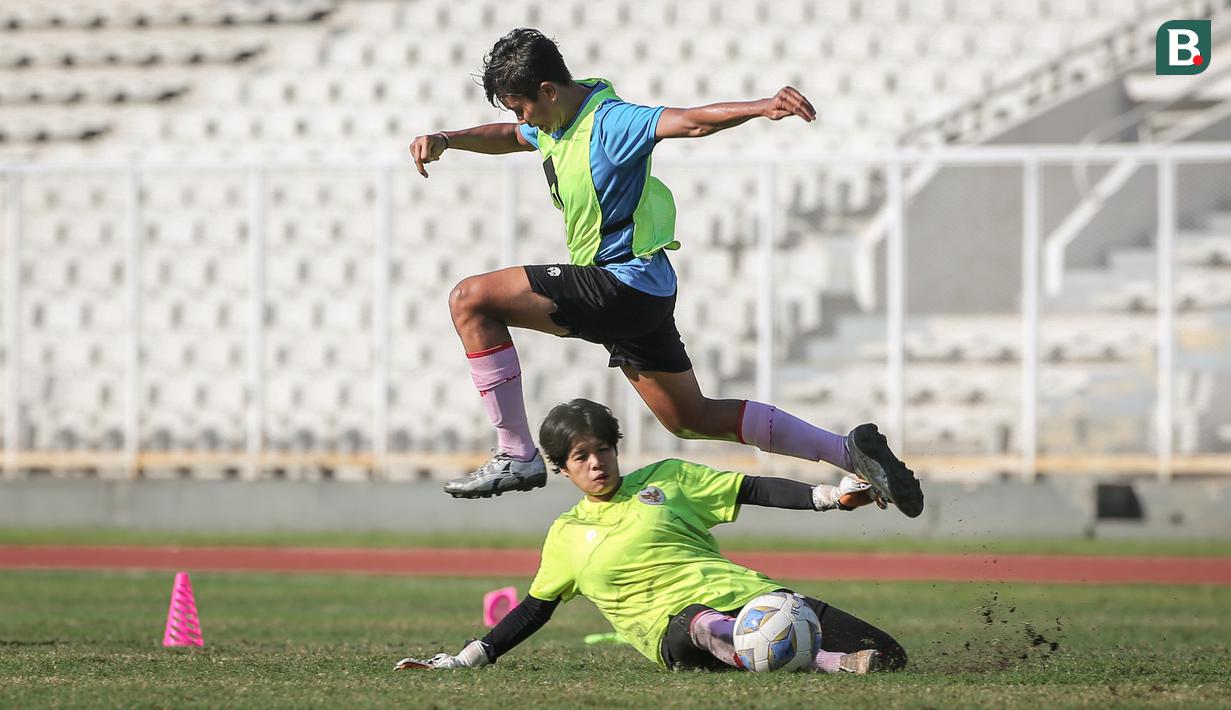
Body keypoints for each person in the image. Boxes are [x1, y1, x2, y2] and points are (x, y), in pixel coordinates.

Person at [407, 28, 923, 519]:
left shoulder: (609, 122)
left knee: (469, 299)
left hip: (620, 283)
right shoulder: (554, 122)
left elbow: (690, 121)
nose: (524, 119)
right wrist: (448, 139)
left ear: (547, 90)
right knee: (690, 418)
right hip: (642, 294)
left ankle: (516, 453)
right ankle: (850, 453)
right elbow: (509, 136)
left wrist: (761, 107)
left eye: (523, 107)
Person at [395, 399, 909, 674]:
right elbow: (535, 609)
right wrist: (467, 658)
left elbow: (752, 488)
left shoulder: (666, 479)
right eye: (580, 457)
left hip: (753, 596)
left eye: (603, 449)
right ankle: (829, 662)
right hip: (679, 629)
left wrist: (832, 497)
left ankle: (817, 654)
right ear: (561, 469)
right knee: (706, 627)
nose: (596, 463)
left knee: (890, 657)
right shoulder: (567, 535)